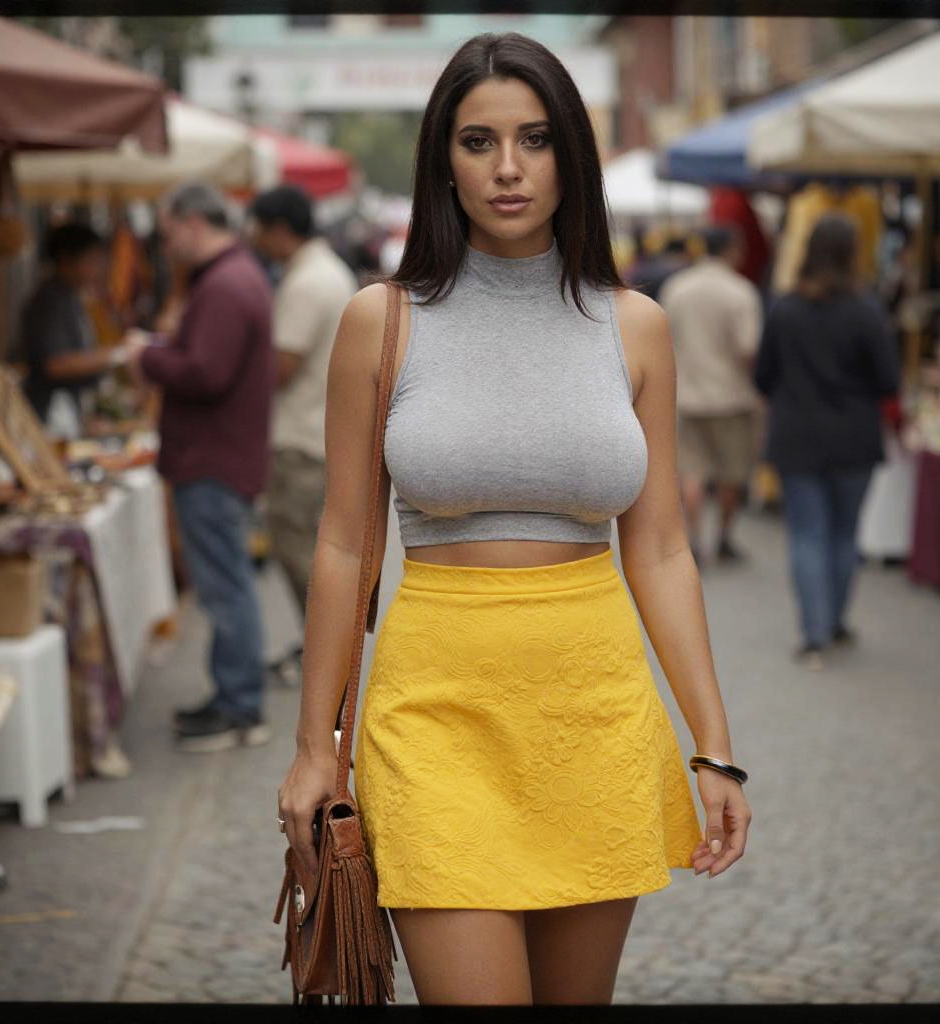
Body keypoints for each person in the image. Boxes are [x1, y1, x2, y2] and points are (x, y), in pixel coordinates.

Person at [277, 32, 751, 1006]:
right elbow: (342, 542)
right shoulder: (383, 318)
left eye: (534, 140)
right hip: (433, 715)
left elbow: (659, 548)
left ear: (570, 155)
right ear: (440, 163)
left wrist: (712, 743)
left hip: (594, 713)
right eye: (477, 141)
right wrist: (312, 744)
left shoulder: (634, 324)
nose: (506, 168)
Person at [124, 182, 275, 751]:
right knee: (225, 584)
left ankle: (240, 707)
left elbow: (205, 372)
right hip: (217, 457)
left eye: (166, 235)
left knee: (225, 587)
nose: (166, 248)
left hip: (212, 460)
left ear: (191, 223)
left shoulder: (226, 283)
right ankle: (233, 698)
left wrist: (147, 356)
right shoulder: (233, 277)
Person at [754, 212, 900, 671]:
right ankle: (834, 621)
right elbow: (888, 380)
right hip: (854, 437)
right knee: (843, 534)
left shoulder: (785, 308)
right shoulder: (866, 309)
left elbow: (763, 376)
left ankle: (814, 634)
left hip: (797, 435)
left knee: (808, 536)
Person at [248, 185, 358, 674]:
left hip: (301, 437)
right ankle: (323, 647)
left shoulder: (308, 282)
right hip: (320, 433)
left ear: (278, 230)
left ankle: (324, 651)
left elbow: (282, 367)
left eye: (258, 229)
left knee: (301, 554)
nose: (254, 240)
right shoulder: (326, 272)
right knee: (315, 552)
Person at [658, 224, 764, 565]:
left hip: (685, 394)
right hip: (730, 395)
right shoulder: (741, 292)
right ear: (731, 250)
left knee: (691, 471)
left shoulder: (677, 287)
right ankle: (724, 539)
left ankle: (694, 540)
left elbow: (662, 338)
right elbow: (748, 347)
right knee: (730, 473)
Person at [20, 222, 129, 429]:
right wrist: (115, 355)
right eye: (91, 260)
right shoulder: (50, 299)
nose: (98, 269)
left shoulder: (71, 296)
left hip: (70, 410)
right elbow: (54, 365)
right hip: (51, 413)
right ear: (66, 260)